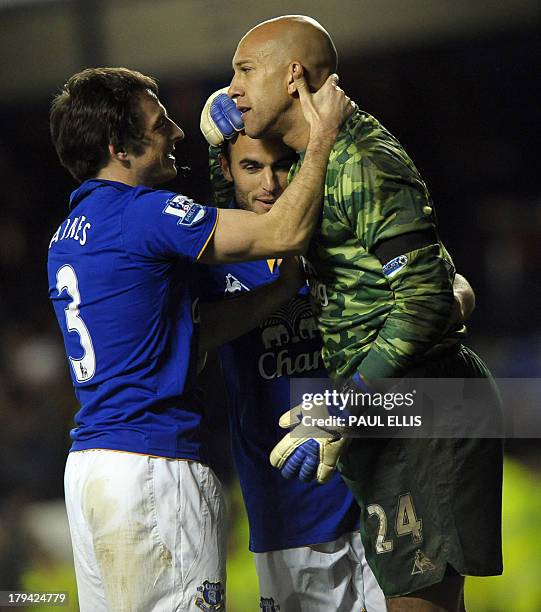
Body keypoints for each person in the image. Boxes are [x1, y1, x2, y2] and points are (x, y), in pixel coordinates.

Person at [220, 15, 503, 612]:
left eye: (245, 71)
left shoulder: (363, 161)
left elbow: (427, 297)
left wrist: (348, 403)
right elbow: (260, 203)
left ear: (293, 75)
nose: (234, 88)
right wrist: (213, 125)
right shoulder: (311, 160)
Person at [47, 66, 353, 610]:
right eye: (160, 122)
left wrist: (279, 292)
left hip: (92, 467)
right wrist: (324, 132)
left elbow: (195, 331)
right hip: (154, 467)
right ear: (120, 147)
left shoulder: (70, 234)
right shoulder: (143, 216)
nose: (177, 132)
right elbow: (283, 233)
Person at [198, 131, 387, 612]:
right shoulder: (213, 263)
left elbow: (445, 286)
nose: (270, 184)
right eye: (251, 168)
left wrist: (445, 301)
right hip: (286, 512)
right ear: (225, 170)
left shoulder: (340, 239)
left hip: (376, 498)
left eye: (283, 165)